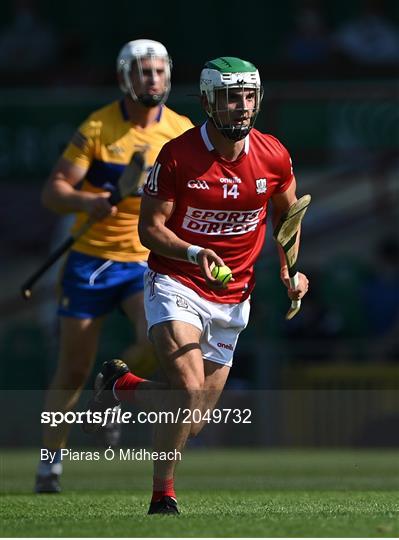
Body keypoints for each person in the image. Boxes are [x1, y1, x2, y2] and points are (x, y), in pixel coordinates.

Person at [86, 56, 309, 514]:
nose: (241, 107)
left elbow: (288, 216)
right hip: (177, 281)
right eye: (231, 97)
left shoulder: (275, 155)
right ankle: (162, 496)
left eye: (248, 95)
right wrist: (192, 252)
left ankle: (120, 384)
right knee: (186, 390)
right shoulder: (178, 155)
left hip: (234, 297)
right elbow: (150, 229)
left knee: (195, 421)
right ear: (209, 101)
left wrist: (291, 270)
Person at [34, 39, 193, 493]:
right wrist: (97, 200)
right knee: (71, 367)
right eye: (144, 72)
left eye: (160, 71)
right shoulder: (98, 127)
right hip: (92, 260)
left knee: (156, 341)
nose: (154, 79)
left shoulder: (180, 131)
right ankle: (50, 465)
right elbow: (53, 192)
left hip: (146, 259)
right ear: (126, 77)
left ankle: (112, 390)